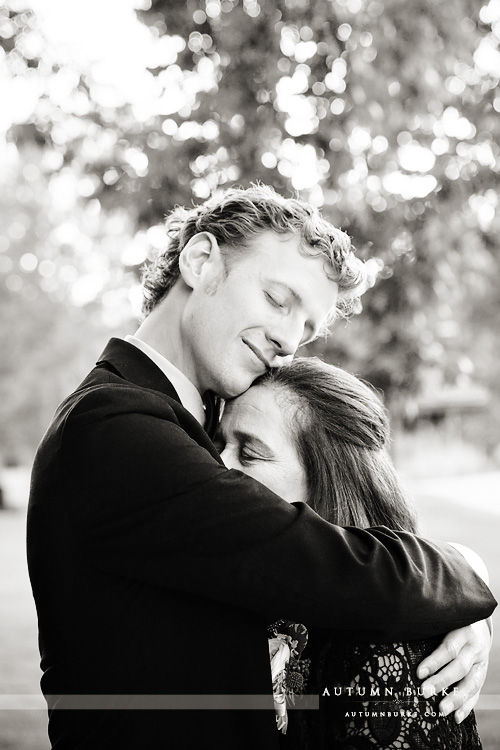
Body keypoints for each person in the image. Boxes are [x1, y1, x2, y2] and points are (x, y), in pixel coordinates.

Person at [27, 185, 496, 750]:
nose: (288, 341)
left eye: (306, 327)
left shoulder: (192, 422)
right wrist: (466, 570)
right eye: (278, 299)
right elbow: (326, 566)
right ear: (201, 262)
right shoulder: (112, 428)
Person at [217, 356, 489, 747]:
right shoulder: (229, 582)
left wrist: (471, 603)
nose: (216, 465)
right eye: (218, 443)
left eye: (249, 453)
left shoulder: (388, 653)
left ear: (327, 483)